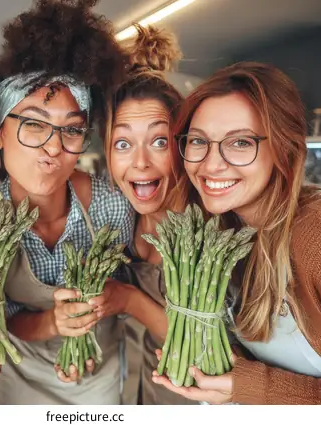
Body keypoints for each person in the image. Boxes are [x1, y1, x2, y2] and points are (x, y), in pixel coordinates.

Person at [151, 61, 321, 404]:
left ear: (283, 149)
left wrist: (249, 386)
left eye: (240, 143)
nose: (211, 164)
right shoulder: (223, 227)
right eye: (199, 140)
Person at [0, 0, 136, 405]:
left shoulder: (113, 206)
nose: (53, 149)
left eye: (71, 130)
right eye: (32, 124)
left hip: (98, 382)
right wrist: (51, 322)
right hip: (18, 379)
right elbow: (2, 318)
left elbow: (139, 289)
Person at [97, 24, 199, 405]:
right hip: (142, 394)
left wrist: (129, 300)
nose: (139, 162)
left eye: (159, 141)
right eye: (123, 143)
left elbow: (204, 344)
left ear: (184, 145)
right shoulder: (120, 219)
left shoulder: (208, 228)